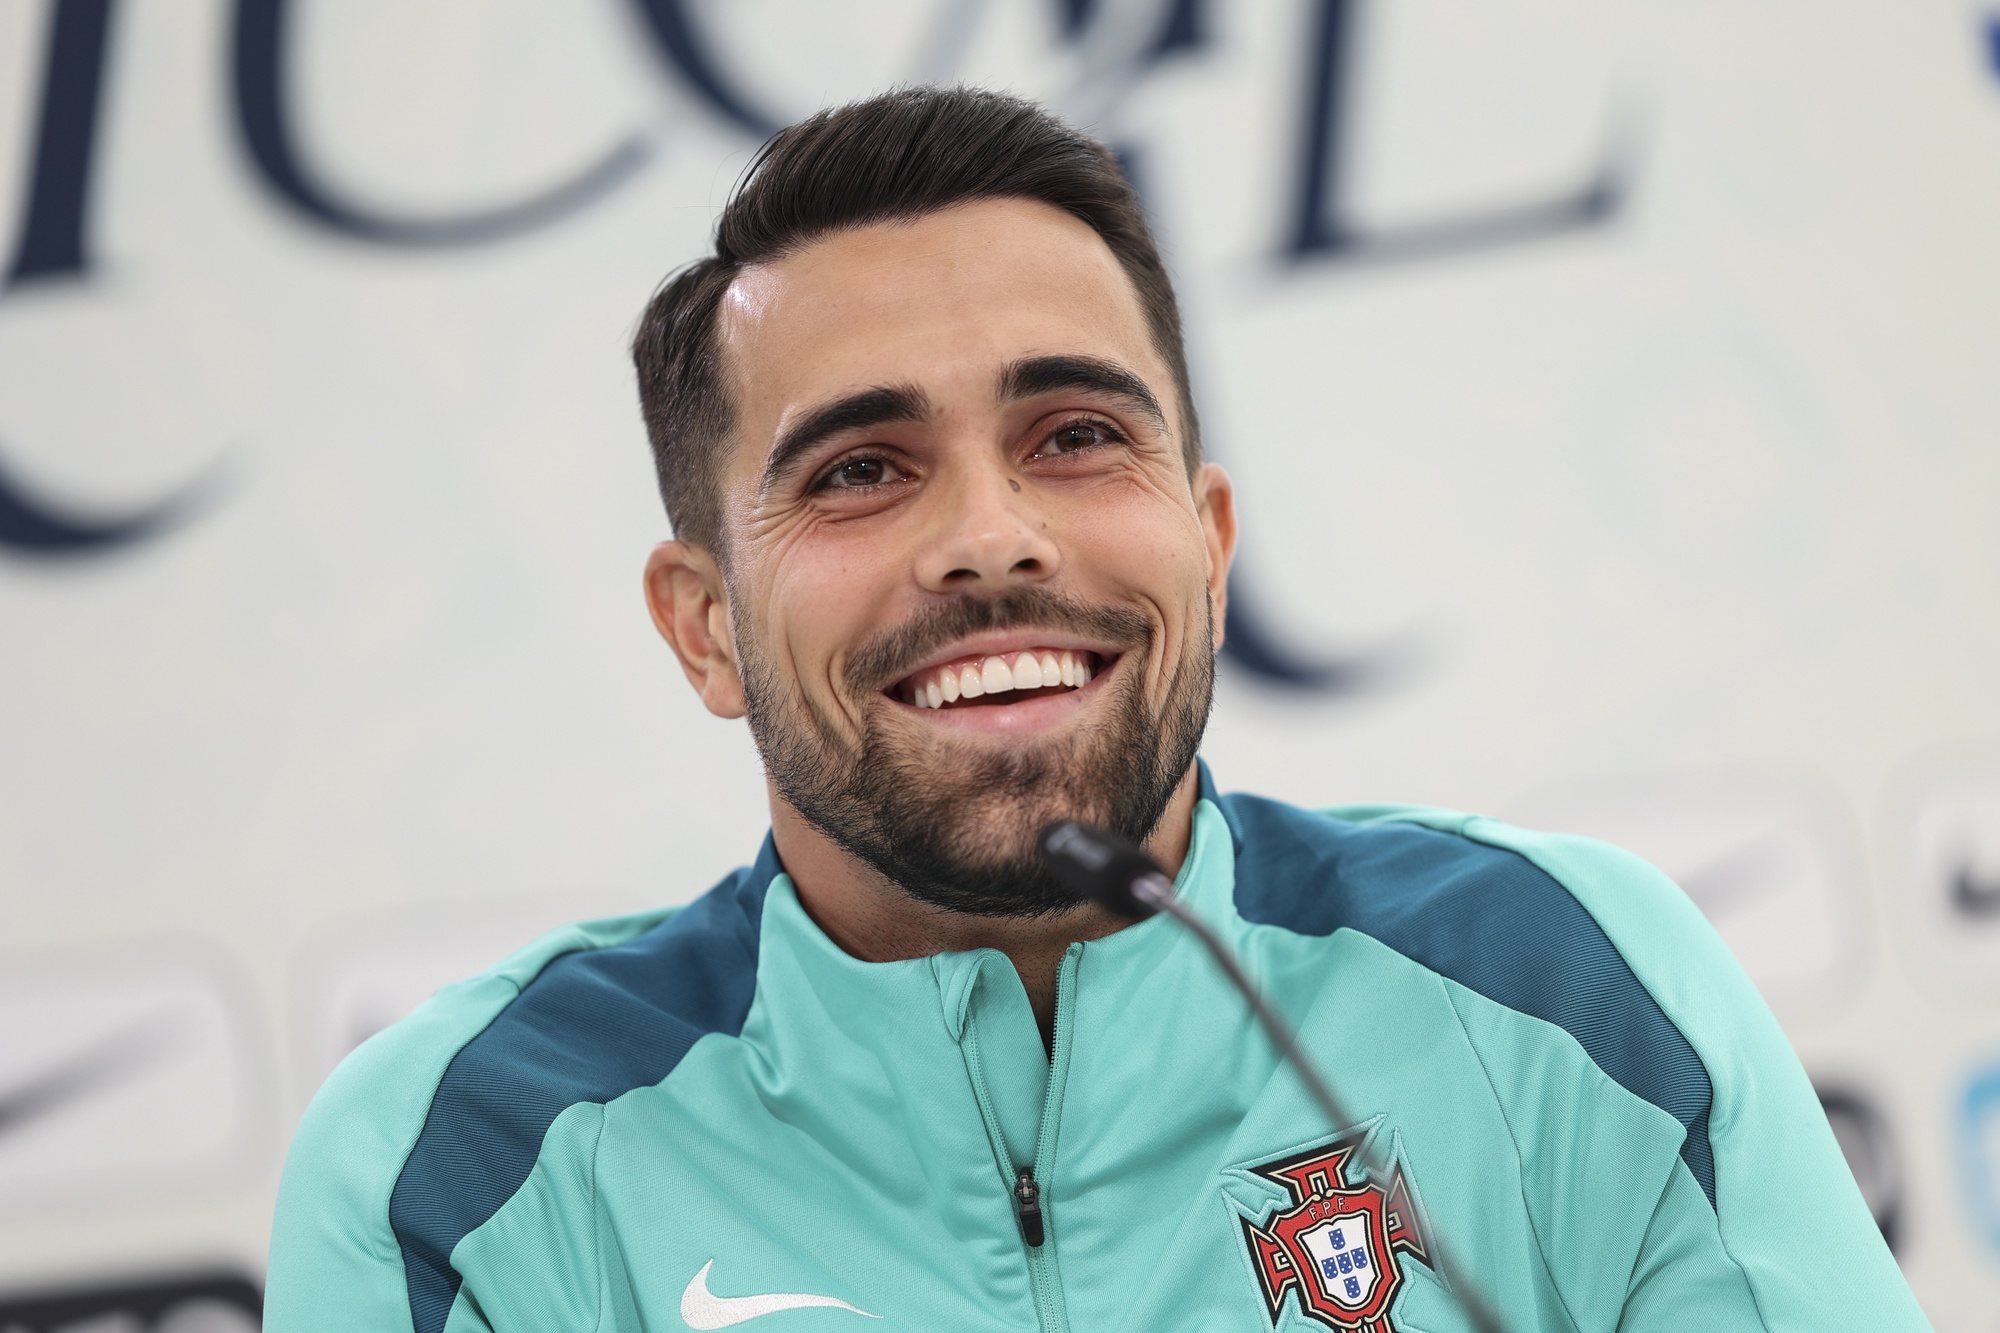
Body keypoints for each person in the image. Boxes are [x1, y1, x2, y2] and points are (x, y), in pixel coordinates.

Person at [266, 86, 1929, 1332]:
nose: (992, 534)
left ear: (1206, 542)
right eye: (861, 469)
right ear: (704, 630)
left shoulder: (1572, 993)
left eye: (1074, 434)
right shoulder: (466, 1166)